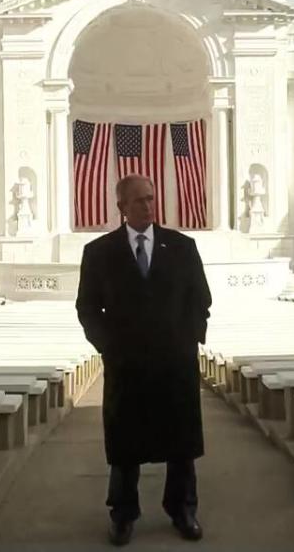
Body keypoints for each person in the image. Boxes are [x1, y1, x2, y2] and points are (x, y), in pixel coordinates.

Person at [76, 174, 212, 546]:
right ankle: (122, 513)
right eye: (139, 201)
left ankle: (183, 508)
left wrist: (189, 339)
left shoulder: (182, 247)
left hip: (175, 363)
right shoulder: (99, 252)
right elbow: (87, 307)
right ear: (122, 207)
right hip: (127, 365)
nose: (149, 206)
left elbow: (200, 300)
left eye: (151, 199)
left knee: (180, 443)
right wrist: (108, 347)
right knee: (125, 445)